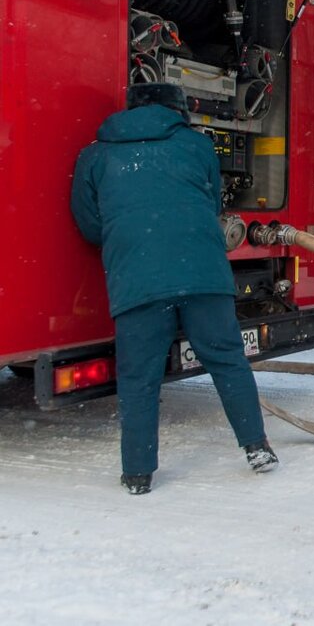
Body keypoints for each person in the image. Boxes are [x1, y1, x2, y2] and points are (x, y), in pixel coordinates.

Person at [70, 82, 278, 495]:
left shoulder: (95, 154)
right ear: (176, 110)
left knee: (139, 377)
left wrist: (132, 237)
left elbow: (89, 224)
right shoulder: (198, 146)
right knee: (226, 359)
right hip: (202, 272)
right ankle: (257, 447)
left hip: (138, 278)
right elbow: (212, 202)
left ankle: (138, 473)